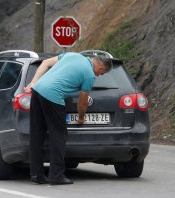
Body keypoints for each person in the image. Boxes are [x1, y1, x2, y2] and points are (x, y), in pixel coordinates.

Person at [24, 52, 112, 185]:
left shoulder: (72, 55)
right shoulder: (89, 75)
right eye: (102, 73)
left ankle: (37, 174)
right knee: (59, 135)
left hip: (37, 91)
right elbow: (82, 103)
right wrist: (81, 118)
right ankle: (56, 175)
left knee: (37, 135)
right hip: (53, 96)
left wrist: (33, 82)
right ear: (100, 68)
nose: (99, 75)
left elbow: (45, 63)